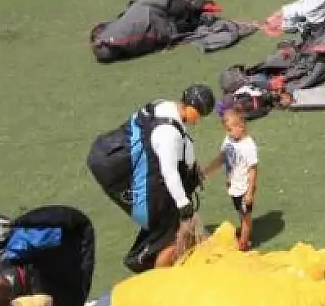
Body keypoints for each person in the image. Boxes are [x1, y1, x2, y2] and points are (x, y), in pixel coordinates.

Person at [91, 85, 215, 273]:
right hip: (127, 179)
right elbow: (169, 172)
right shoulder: (168, 133)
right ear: (190, 107)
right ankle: (159, 283)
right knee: (173, 234)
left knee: (164, 226)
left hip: (115, 164)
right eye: (198, 114)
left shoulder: (163, 106)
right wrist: (184, 206)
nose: (197, 121)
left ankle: (153, 256)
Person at [202, 107, 259, 252]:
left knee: (246, 217)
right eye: (226, 130)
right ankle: (244, 236)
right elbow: (223, 157)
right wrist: (209, 171)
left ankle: (244, 244)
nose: (227, 133)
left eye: (229, 129)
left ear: (240, 127)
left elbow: (252, 171)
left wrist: (250, 193)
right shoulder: (229, 139)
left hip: (244, 189)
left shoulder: (248, 146)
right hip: (234, 187)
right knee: (241, 213)